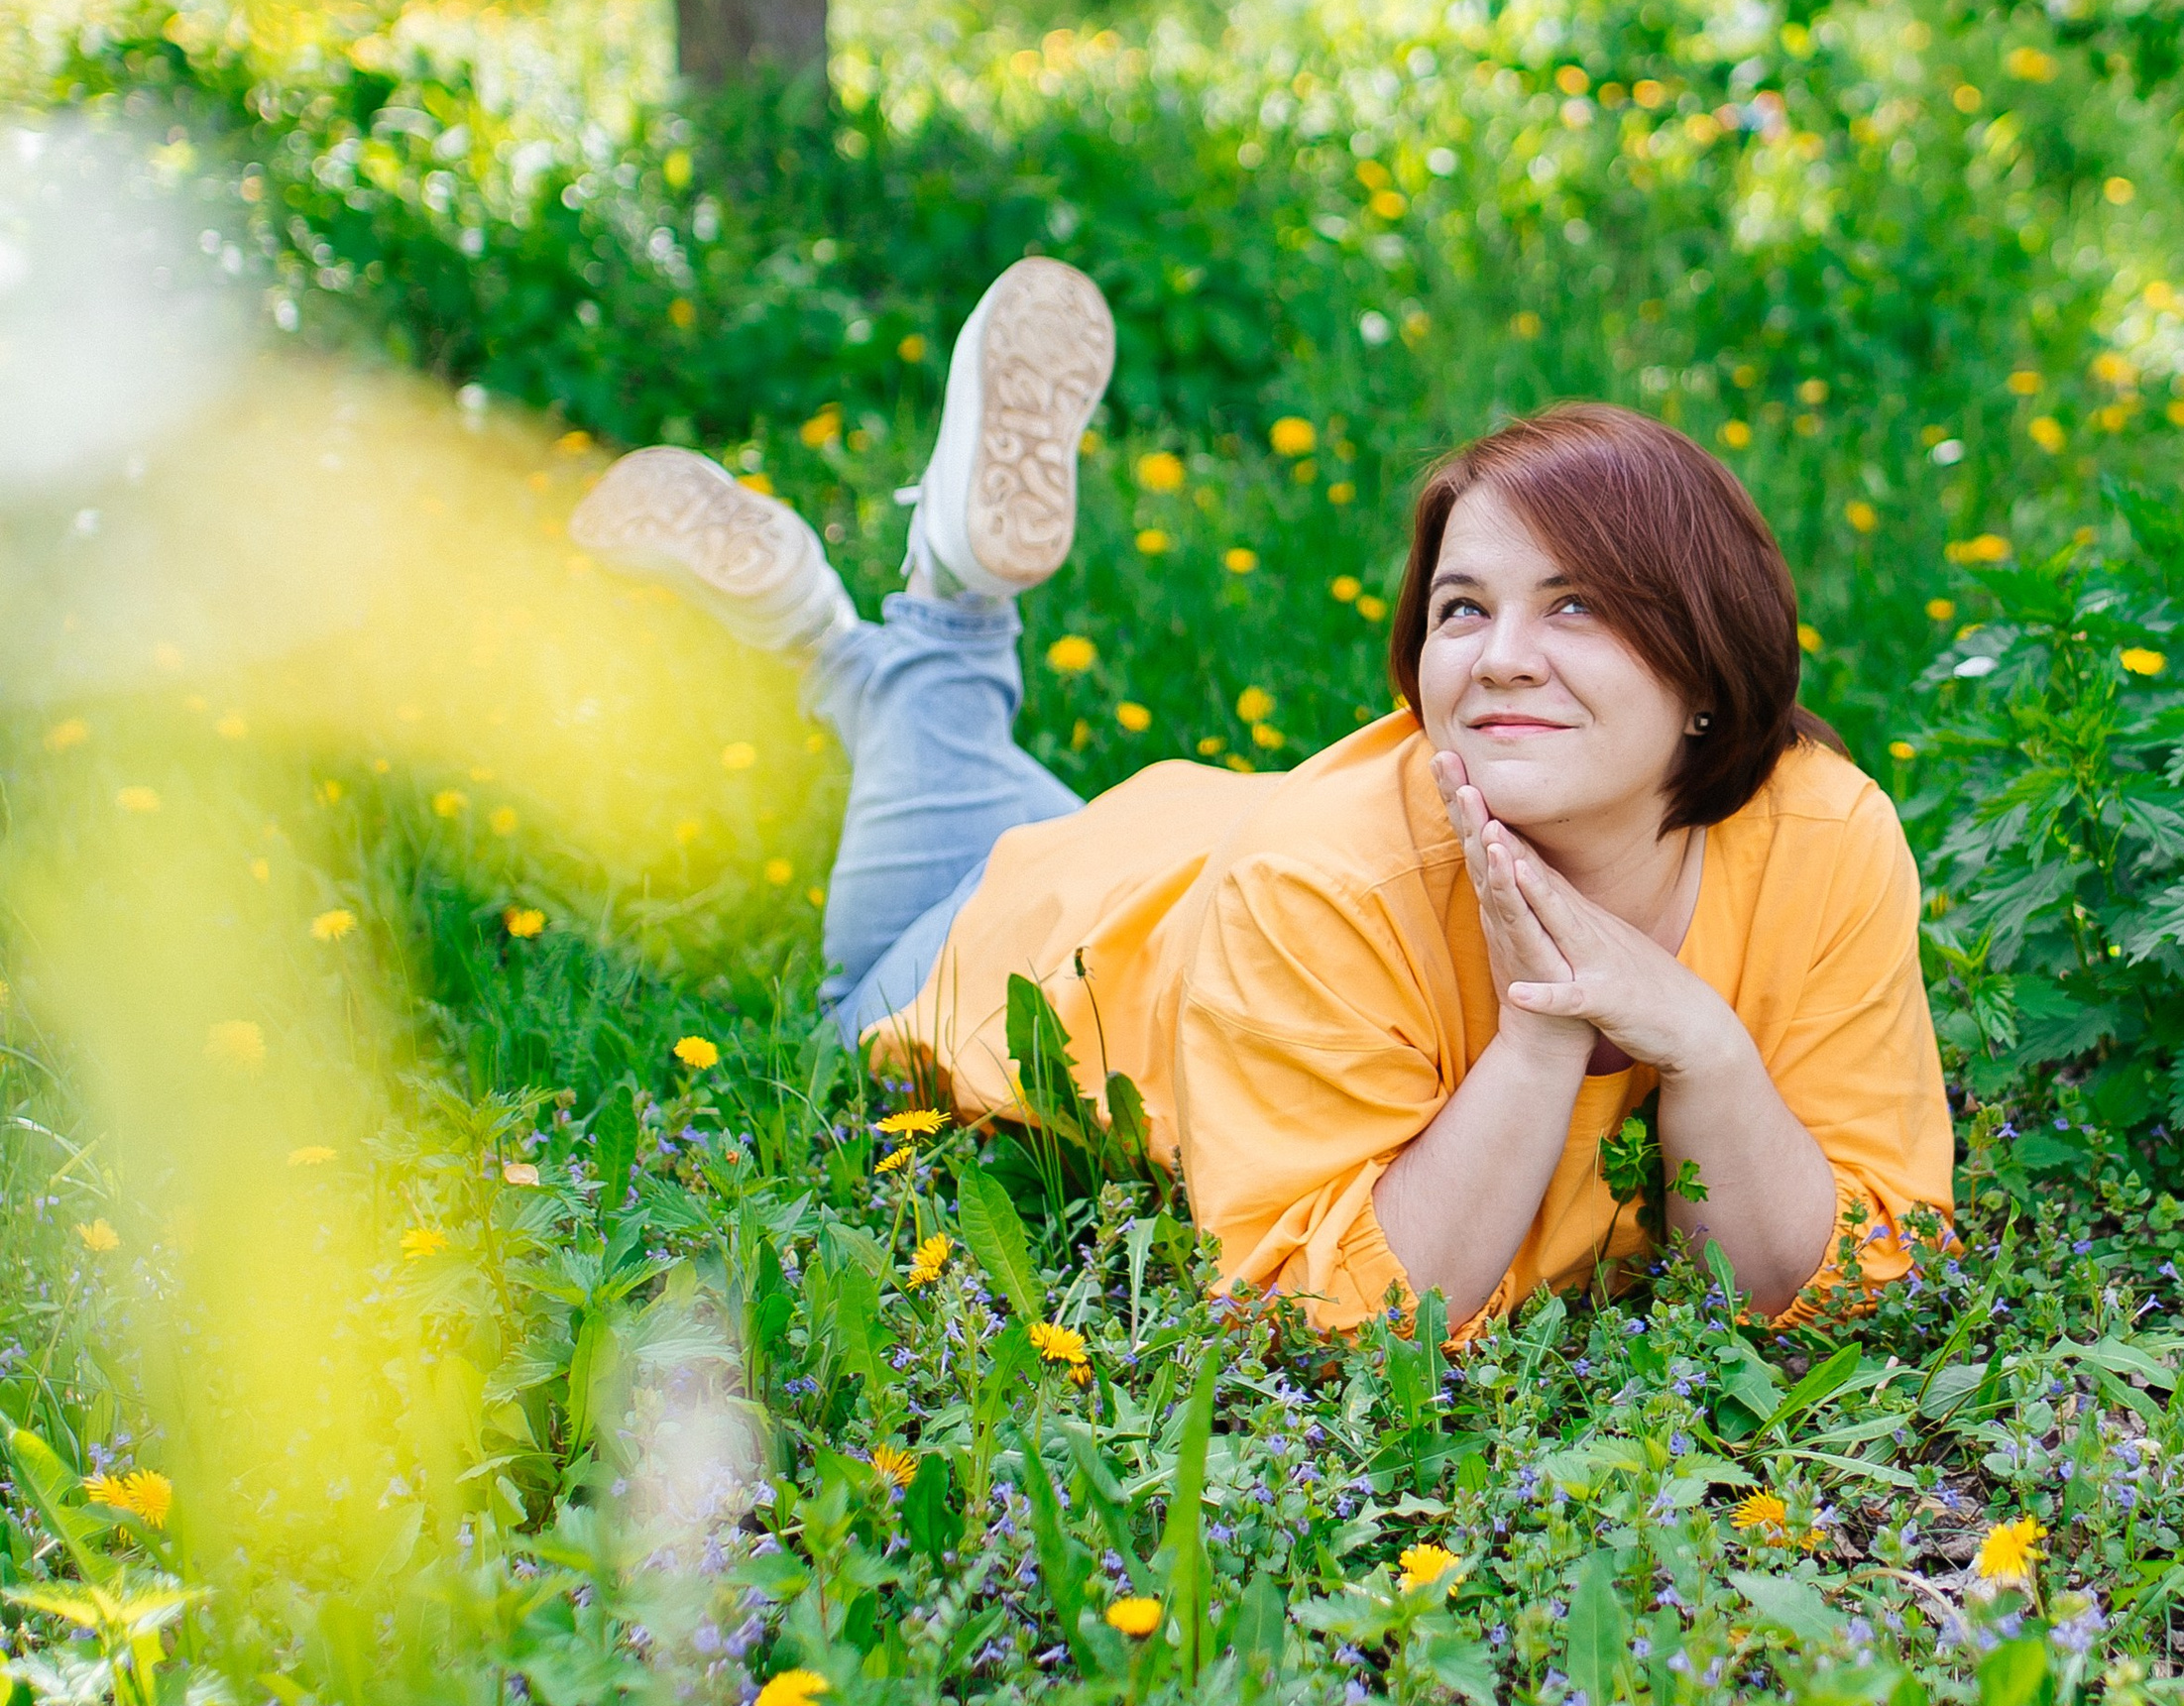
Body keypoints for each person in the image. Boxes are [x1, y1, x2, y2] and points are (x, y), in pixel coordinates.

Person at [573, 257, 1954, 1334]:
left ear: (1708, 660)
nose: (1502, 658)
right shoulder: (1326, 880)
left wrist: (1705, 1045)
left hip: (1168, 861)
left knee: (916, 717)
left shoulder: (1825, 836)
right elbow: (1336, 1319)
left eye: (1578, 605)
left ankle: (859, 624)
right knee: (889, 851)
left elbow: (1842, 1283)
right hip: (979, 936)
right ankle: (929, 607)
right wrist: (1544, 1034)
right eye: (1461, 609)